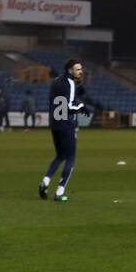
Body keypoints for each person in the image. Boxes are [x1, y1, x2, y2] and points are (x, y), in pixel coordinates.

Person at [40, 61, 87, 202]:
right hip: (67, 124)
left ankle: (45, 181)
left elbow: (59, 100)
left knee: (59, 156)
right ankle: (60, 192)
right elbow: (69, 106)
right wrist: (81, 106)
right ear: (70, 70)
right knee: (71, 157)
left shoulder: (55, 81)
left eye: (81, 69)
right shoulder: (70, 83)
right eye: (77, 69)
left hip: (55, 123)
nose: (80, 71)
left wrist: (76, 96)